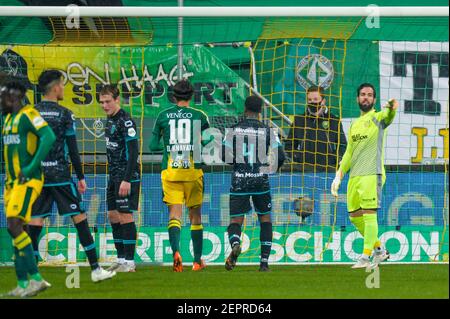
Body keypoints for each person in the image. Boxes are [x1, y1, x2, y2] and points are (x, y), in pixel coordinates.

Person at [28, 70, 115, 282]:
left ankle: (31, 274)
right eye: (63, 85)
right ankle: (95, 269)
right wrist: (81, 176)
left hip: (38, 175)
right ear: (56, 87)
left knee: (36, 220)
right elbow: (73, 149)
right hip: (60, 176)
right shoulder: (65, 114)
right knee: (80, 218)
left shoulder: (30, 113)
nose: (64, 88)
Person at [331, 83, 398, 269]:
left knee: (370, 216)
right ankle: (380, 250)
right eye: (363, 94)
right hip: (355, 177)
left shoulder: (378, 118)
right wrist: (339, 175)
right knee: (355, 217)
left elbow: (389, 115)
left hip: (372, 174)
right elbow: (349, 153)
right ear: (357, 98)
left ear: (374, 100)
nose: (366, 97)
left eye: (369, 95)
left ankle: (365, 257)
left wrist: (391, 108)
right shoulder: (353, 124)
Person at [1, 80, 56, 297]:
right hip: (11, 183)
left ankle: (36, 279)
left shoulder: (28, 114)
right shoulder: (7, 119)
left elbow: (48, 136)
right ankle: (22, 285)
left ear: (15, 96)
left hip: (28, 180)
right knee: (16, 228)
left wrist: (31, 166)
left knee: (15, 225)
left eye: (3, 95)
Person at [149, 80, 210, 272]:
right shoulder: (200, 115)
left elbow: (152, 146)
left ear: (173, 96)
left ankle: (176, 253)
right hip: (192, 171)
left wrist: (169, 147)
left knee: (174, 215)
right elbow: (209, 141)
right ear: (192, 96)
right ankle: (197, 261)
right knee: (195, 216)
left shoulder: (163, 116)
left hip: (171, 172)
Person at [223, 95, 286, 272]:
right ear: (260, 112)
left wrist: (236, 163)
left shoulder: (233, 129)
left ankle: (236, 243)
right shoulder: (268, 131)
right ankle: (264, 263)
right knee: (265, 219)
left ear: (245, 109)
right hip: (260, 180)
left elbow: (223, 156)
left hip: (240, 181)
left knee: (236, 219)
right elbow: (280, 156)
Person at [100, 84, 140, 273]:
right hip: (113, 175)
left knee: (125, 215)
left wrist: (127, 179)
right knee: (113, 215)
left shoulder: (126, 121)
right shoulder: (109, 120)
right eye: (102, 102)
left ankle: (130, 262)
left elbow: (133, 153)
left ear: (117, 100)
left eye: (108, 101)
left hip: (126, 176)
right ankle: (121, 258)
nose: (104, 105)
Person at [285, 85, 347, 171]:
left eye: (315, 99)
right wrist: (298, 157)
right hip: (304, 170)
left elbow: (343, 144)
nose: (312, 102)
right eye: (309, 100)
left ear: (323, 101)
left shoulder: (333, 120)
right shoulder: (299, 121)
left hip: (327, 170)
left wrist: (334, 159)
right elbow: (289, 146)